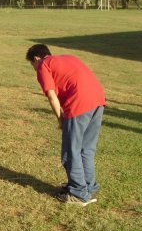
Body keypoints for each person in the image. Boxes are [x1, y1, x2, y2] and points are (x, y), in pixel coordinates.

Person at [26, 44, 106, 206]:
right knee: (86, 149)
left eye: (32, 65)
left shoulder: (43, 65)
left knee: (70, 152)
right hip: (98, 101)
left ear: (36, 58)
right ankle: (88, 187)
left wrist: (60, 118)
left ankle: (79, 193)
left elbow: (51, 94)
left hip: (79, 105)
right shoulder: (69, 57)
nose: (34, 69)